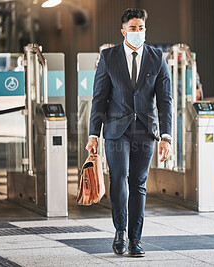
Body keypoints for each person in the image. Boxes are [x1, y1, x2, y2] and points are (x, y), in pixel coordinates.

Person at [86, 8, 172, 257]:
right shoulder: (109, 56)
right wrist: (94, 133)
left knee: (139, 183)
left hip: (145, 130)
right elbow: (99, 98)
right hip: (116, 130)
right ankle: (120, 232)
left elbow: (165, 100)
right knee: (120, 177)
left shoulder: (157, 57)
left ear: (145, 29)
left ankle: (136, 238)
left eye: (141, 28)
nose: (137, 32)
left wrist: (166, 136)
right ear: (123, 31)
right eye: (132, 28)